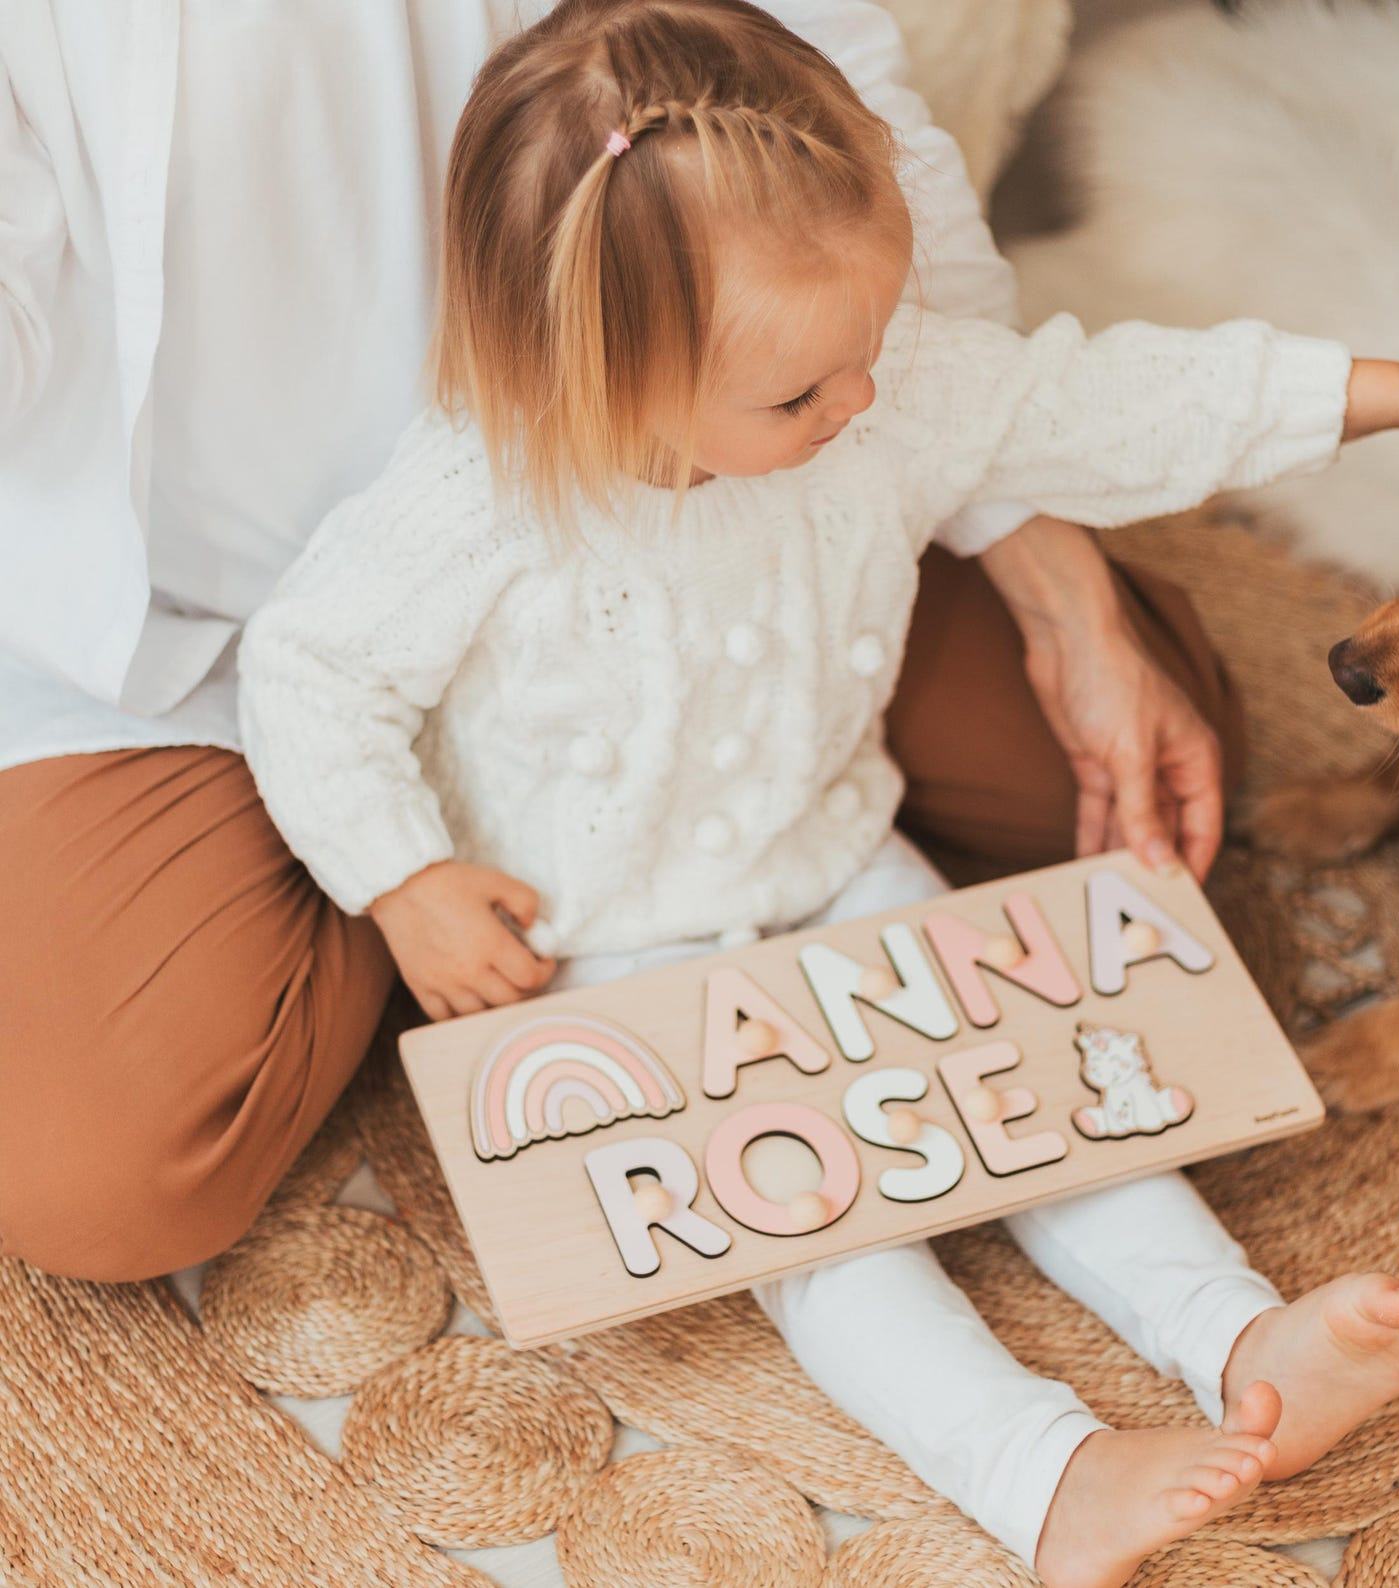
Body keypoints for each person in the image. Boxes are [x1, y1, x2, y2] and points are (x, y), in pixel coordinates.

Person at [235, 4, 1399, 1581]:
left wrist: (1382, 387)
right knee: (829, 1238)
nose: (864, 407)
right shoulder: (479, 496)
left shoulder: (878, 390)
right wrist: (401, 874)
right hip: (614, 935)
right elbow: (311, 673)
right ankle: (1040, 1468)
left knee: (1068, 1088)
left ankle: (1238, 1337)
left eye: (874, 353)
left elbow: (1109, 404)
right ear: (599, 375)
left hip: (836, 845)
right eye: (805, 397)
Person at [0, 0, 1232, 1286]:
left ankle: (498, 861)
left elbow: (823, 102)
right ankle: (401, 846)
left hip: (677, 487)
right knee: (107, 1181)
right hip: (206, 609)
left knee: (1127, 799)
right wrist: (390, 860)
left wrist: (1057, 589)